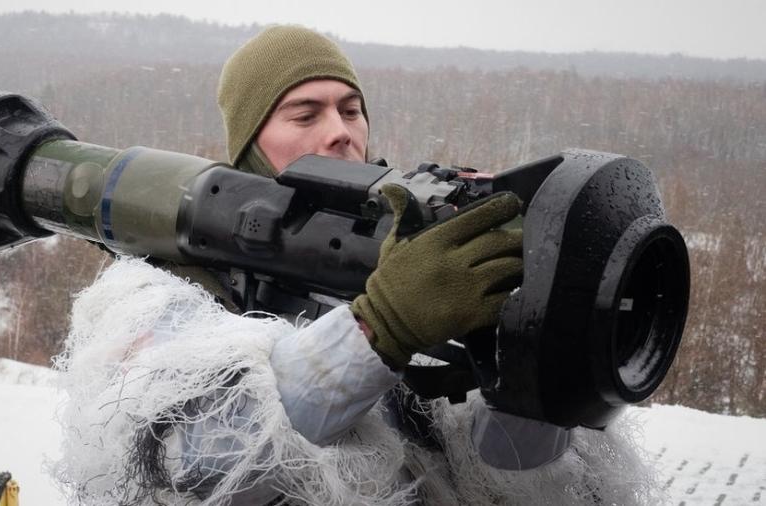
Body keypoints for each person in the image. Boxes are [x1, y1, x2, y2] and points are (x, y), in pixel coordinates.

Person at [53, 26, 658, 505]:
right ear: (249, 147)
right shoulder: (159, 292)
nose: (341, 133)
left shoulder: (409, 265)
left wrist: (533, 378)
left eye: (351, 109)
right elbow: (204, 461)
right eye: (305, 113)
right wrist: (378, 332)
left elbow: (508, 487)